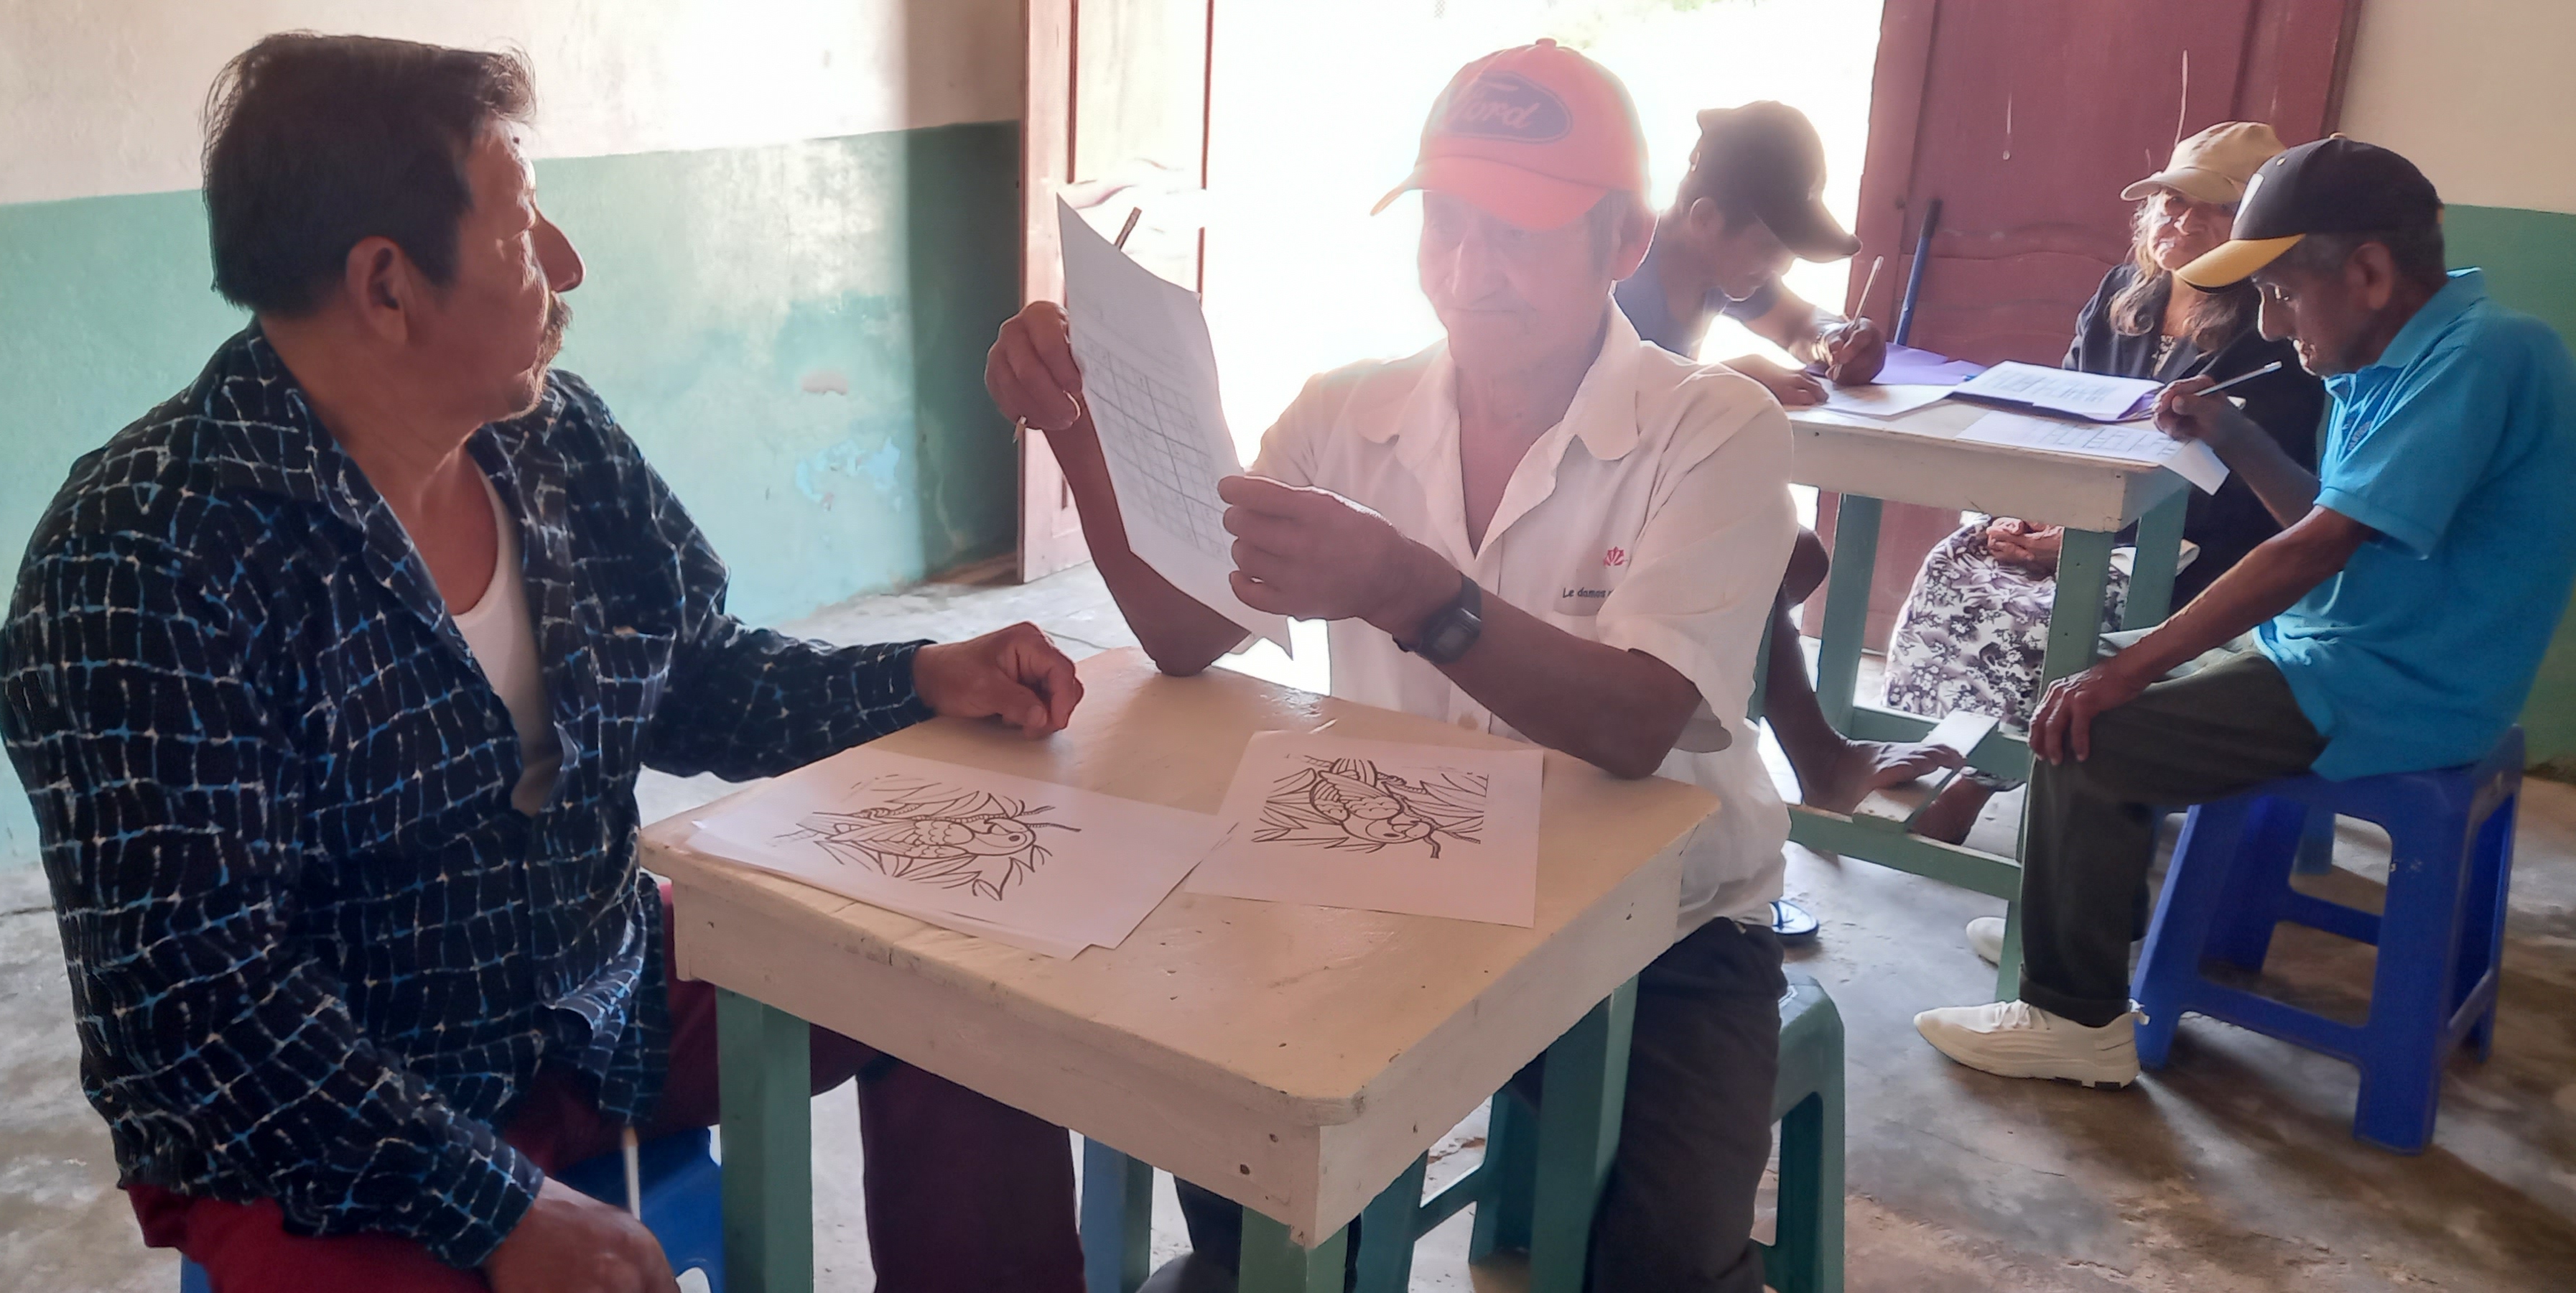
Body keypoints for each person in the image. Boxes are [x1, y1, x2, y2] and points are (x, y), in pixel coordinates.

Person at [0, 34, 1092, 1293]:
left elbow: (692, 674)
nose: (568, 264)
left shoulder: (554, 440)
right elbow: (204, 1009)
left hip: (601, 991)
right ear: (387, 287)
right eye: (524, 233)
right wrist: (494, 1208)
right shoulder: (143, 562)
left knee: (967, 1005)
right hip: (328, 1117)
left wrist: (916, 678)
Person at [991, 41, 1795, 1292]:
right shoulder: (1344, 413)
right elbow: (1187, 631)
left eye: (1518, 233)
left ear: (1624, 239)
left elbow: (1640, 722)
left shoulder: (1714, 429)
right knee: (1238, 1142)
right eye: (1446, 225)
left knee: (1665, 1264)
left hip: (1671, 927)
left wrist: (1409, 591)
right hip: (1400, 885)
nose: (1469, 271)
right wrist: (1076, 426)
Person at [1913, 137, 2576, 1088]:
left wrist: (2128, 674)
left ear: (2369, 272)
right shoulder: (2395, 356)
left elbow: (2313, 549)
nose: (2268, 325)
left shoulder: (2482, 356)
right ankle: (2100, 927)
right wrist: (2230, 431)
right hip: (2340, 648)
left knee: (2096, 730)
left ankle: (2074, 1019)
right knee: (2086, 669)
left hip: (2400, 685)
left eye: (2281, 293)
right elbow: (2327, 517)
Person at [1882, 121, 2327, 849]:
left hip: (2187, 549)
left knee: (2039, 618)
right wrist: (2026, 512)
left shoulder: (2269, 324)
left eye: (2210, 209)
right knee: (1954, 564)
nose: (2181, 221)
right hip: (2077, 516)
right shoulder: (2124, 291)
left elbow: (2240, 497)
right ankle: (1930, 750)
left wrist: (2087, 536)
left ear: (2250, 230)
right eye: (2171, 202)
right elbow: (2060, 414)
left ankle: (1975, 783)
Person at [1614, 99, 1958, 935]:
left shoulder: (1718, 266)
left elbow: (1799, 321)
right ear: (1703, 219)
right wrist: (1724, 379)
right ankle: (1814, 760)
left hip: (1654, 498)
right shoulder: (1628, 277)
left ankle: (1767, 746)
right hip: (1592, 509)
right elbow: (1601, 398)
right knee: (1766, 560)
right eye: (1767, 246)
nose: (1772, 267)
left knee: (1795, 560)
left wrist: (1839, 336)